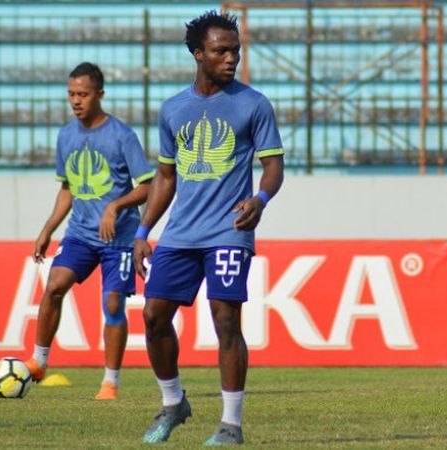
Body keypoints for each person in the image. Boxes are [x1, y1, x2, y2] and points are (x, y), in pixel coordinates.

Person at [133, 10, 284, 446]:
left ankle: (231, 425)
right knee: (153, 315)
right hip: (180, 233)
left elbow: (274, 167)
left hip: (229, 230)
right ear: (198, 54)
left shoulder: (254, 104)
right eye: (221, 50)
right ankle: (173, 403)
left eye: (235, 50)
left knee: (225, 317)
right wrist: (143, 232)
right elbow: (165, 177)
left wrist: (260, 199)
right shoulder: (173, 109)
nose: (231, 58)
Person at [26, 62, 154, 401]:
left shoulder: (122, 136)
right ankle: (38, 362)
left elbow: (148, 186)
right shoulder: (66, 135)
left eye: (82, 94)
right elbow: (68, 187)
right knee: (54, 286)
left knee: (113, 303)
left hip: (120, 238)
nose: (76, 101)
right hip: (80, 234)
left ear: (99, 94)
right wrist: (47, 229)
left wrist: (115, 206)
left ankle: (110, 382)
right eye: (71, 94)